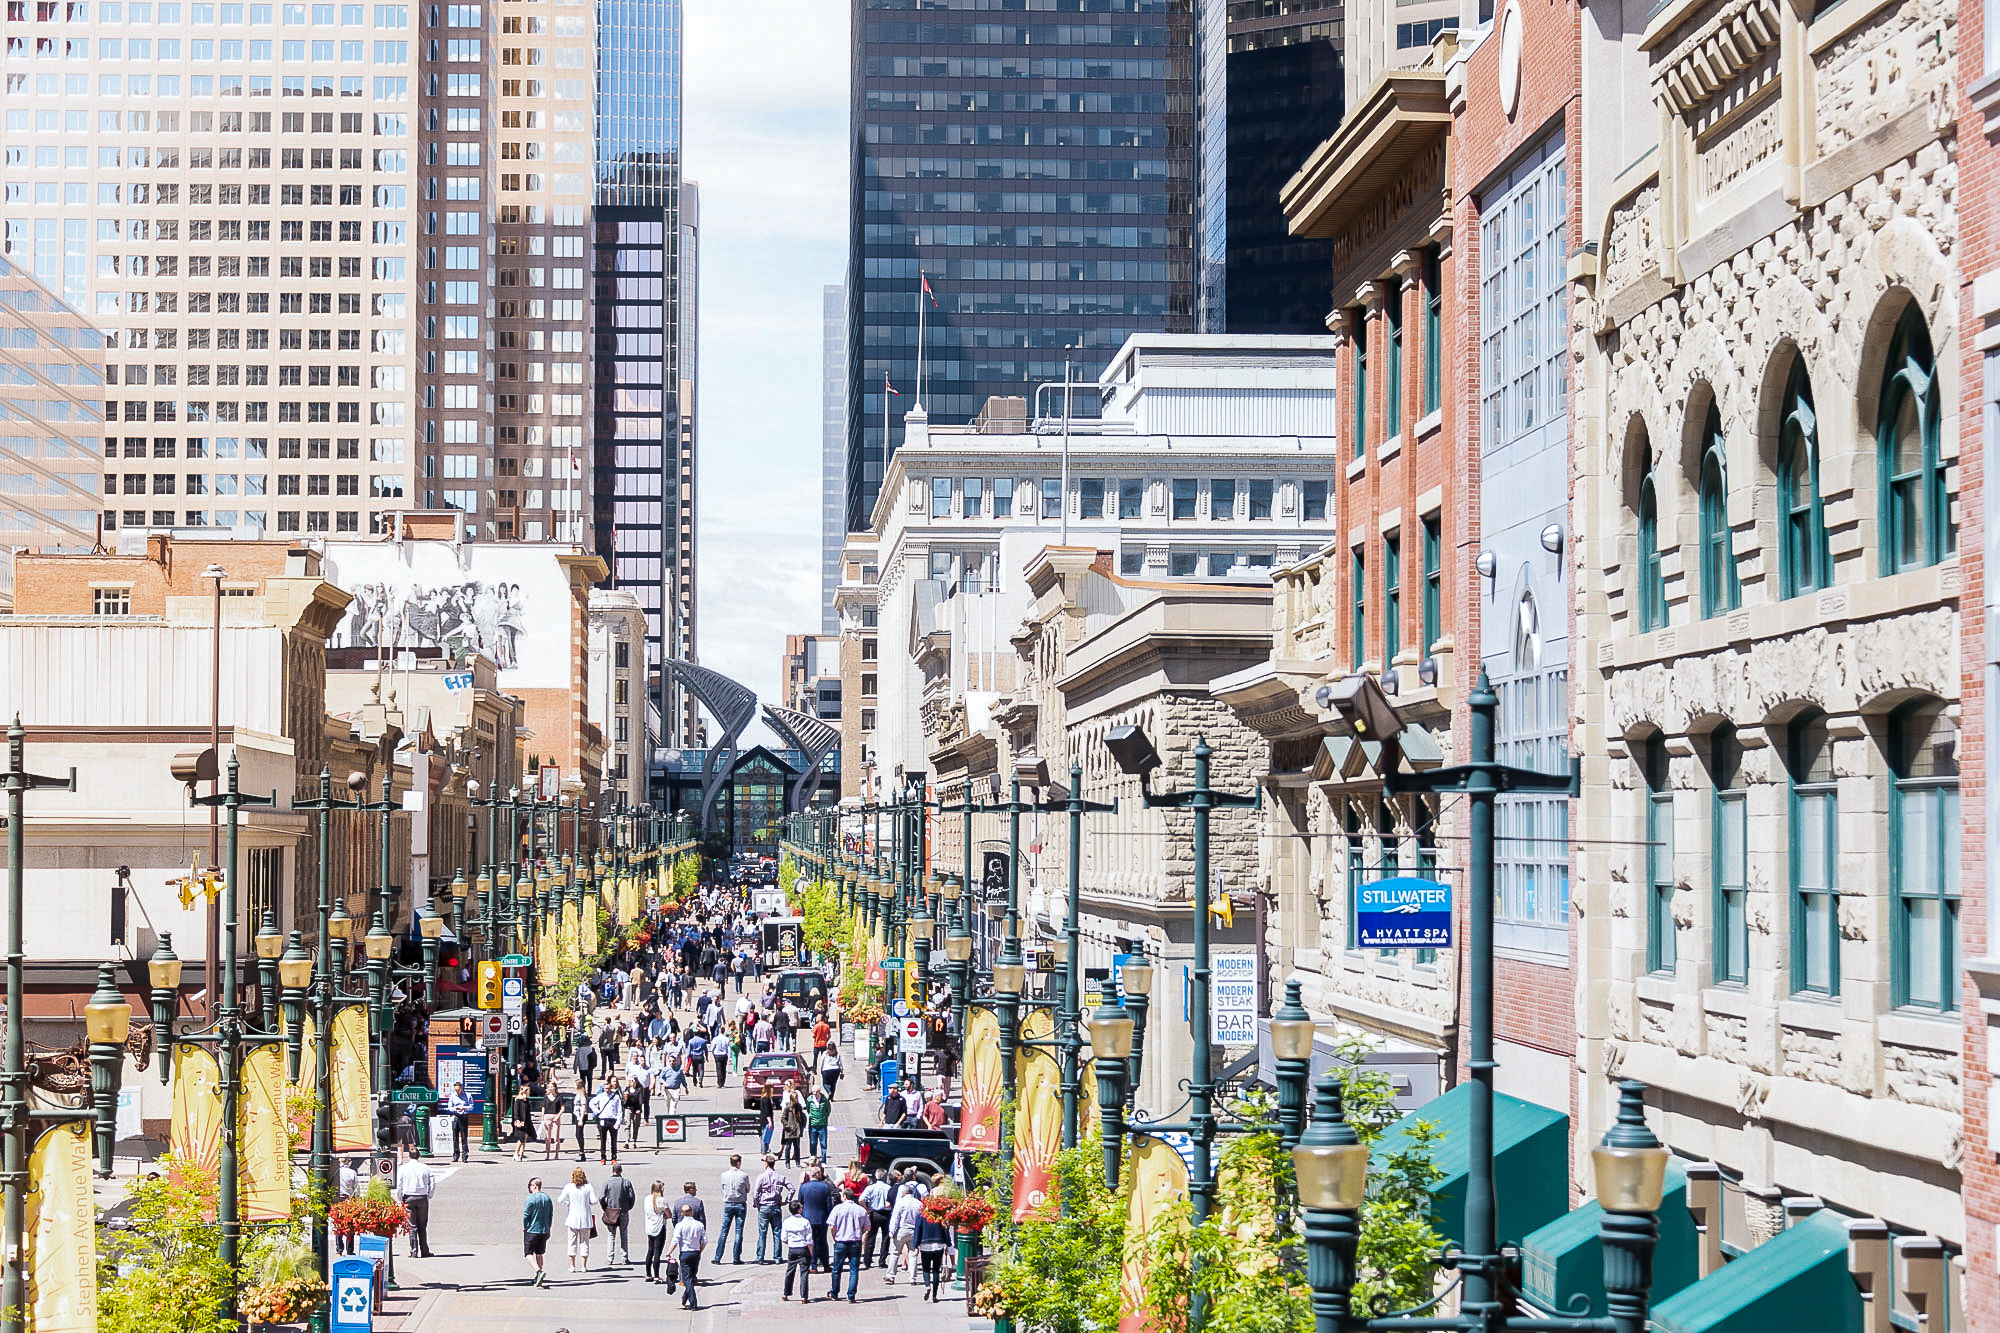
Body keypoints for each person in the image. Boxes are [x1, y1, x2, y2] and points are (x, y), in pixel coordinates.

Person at [826, 1186, 871, 1303]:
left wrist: (834, 1237)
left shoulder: (837, 1209)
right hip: (855, 1241)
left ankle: (834, 1292)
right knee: (854, 1270)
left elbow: (832, 1226)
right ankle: (851, 1295)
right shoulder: (861, 1210)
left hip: (841, 1241)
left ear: (844, 1196)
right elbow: (867, 1227)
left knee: (837, 1269)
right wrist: (860, 1232)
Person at [393, 1146, 436, 1259]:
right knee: (422, 1225)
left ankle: (414, 1251)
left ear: (409, 1156)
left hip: (409, 1197)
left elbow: (399, 1184)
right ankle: (424, 1250)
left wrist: (399, 1198)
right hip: (422, 1197)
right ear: (419, 1156)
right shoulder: (425, 1168)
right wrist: (429, 1195)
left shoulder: (404, 1168)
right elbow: (432, 1183)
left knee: (412, 1226)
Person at [752, 1154, 790, 1263]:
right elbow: (791, 1189)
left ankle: (760, 1257)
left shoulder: (761, 1177)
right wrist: (786, 1201)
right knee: (777, 1232)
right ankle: (777, 1257)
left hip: (764, 1206)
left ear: (766, 1164)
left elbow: (755, 1194)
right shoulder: (780, 1177)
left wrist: (757, 1205)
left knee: (762, 1233)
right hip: (776, 1206)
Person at [797, 1163, 835, 1272]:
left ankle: (813, 1266)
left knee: (811, 1241)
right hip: (822, 1218)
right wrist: (830, 1217)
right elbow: (829, 1204)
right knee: (823, 1241)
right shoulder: (824, 1187)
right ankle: (826, 1264)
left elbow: (800, 1202)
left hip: (808, 1218)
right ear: (817, 1174)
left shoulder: (804, 1187)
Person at [559, 1167, 596, 1274]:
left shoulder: (569, 1187)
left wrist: (568, 1203)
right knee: (584, 1242)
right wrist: (587, 1202)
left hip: (572, 1218)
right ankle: (583, 1266)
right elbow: (594, 1201)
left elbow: (560, 1200)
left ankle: (572, 1266)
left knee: (572, 1242)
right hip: (585, 1219)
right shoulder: (588, 1187)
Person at [713, 1153, 749, 1265]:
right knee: (738, 1231)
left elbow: (723, 1187)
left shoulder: (724, 1175)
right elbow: (747, 1189)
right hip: (740, 1203)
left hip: (728, 1203)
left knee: (724, 1231)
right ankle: (736, 1257)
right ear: (738, 1163)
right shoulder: (744, 1175)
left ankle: (718, 1257)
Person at [887, 1175, 923, 1284]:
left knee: (895, 1253)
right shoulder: (919, 1204)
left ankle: (891, 1275)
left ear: (904, 1192)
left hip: (901, 1230)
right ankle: (912, 1278)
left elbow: (895, 1217)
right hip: (914, 1231)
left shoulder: (900, 1202)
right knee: (913, 1254)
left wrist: (891, 1231)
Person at [599, 1162, 637, 1265]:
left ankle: (610, 1258)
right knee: (623, 1233)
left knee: (611, 1234)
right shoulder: (626, 1182)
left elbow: (601, 1197)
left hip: (611, 1211)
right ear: (621, 1171)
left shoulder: (607, 1182)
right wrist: (628, 1207)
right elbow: (632, 1197)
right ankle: (624, 1258)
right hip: (623, 1211)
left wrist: (605, 1208)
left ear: (612, 1171)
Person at [672, 1203, 708, 1308]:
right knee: (691, 1277)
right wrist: (700, 1251)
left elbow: (675, 1241)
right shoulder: (699, 1225)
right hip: (695, 1253)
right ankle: (685, 1297)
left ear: (682, 1214)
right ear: (692, 1212)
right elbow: (705, 1241)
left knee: (687, 1279)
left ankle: (693, 1302)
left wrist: (669, 1252)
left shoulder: (679, 1225)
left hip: (685, 1253)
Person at [914, 1204, 952, 1301]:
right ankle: (934, 1296)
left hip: (925, 1244)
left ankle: (927, 1286)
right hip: (938, 1244)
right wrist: (948, 1244)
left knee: (926, 1269)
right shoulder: (940, 1215)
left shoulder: (921, 1215)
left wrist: (916, 1245)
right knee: (936, 1270)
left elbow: (918, 1230)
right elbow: (945, 1230)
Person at [522, 1177, 555, 1287]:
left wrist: (525, 1226)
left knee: (528, 1253)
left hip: (532, 1230)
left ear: (535, 1186)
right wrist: (549, 1229)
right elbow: (550, 1214)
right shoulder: (547, 1198)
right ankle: (538, 1277)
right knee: (539, 1253)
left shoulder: (531, 1198)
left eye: (530, 1185)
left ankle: (538, 1271)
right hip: (543, 1230)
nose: (529, 1188)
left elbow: (526, 1214)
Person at [780, 1199, 814, 1302]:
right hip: (803, 1248)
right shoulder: (805, 1221)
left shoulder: (787, 1221)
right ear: (799, 1210)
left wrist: (790, 1242)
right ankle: (804, 1296)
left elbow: (784, 1238)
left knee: (790, 1271)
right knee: (804, 1272)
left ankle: (786, 1293)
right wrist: (811, 1251)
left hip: (792, 1248)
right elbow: (809, 1239)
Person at [858, 1169, 892, 1270]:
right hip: (886, 1214)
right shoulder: (889, 1188)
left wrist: (866, 1209)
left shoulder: (871, 1188)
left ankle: (867, 1260)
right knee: (885, 1238)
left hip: (874, 1213)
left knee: (871, 1237)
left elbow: (861, 1199)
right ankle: (882, 1261)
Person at [642, 1180, 672, 1284]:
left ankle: (648, 1274)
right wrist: (664, 1215)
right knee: (657, 1252)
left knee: (650, 1250)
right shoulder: (662, 1200)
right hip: (659, 1227)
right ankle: (657, 1275)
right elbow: (669, 1214)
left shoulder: (647, 1199)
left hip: (649, 1227)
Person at [590, 1079, 621, 1163]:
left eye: (608, 1088)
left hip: (613, 1119)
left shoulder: (616, 1097)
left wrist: (618, 1122)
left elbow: (619, 1110)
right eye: (606, 1088)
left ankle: (613, 1157)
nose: (607, 1090)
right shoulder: (601, 1096)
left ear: (611, 1088)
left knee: (613, 1140)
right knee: (603, 1139)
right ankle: (603, 1157)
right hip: (603, 1119)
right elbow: (591, 1103)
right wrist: (596, 1111)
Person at [444, 1081, 474, 1163]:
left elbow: (471, 1106)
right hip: (455, 1116)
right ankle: (456, 1155)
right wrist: (454, 1109)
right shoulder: (453, 1096)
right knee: (455, 1137)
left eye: (459, 1089)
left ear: (461, 1088)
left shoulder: (467, 1096)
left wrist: (464, 1107)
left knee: (464, 1137)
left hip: (463, 1116)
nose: (457, 1091)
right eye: (456, 1090)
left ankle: (465, 1156)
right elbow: (449, 1107)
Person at [780, 1085, 807, 1166]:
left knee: (797, 1146)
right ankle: (787, 1162)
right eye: (795, 1098)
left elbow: (803, 1117)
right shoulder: (787, 1108)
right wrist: (788, 1126)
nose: (796, 1100)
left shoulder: (798, 1107)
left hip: (797, 1130)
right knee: (788, 1146)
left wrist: (802, 1126)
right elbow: (783, 1119)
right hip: (789, 1131)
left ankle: (797, 1162)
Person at [805, 1086, 832, 1162]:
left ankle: (823, 1161)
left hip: (822, 1125)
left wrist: (824, 1117)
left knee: (823, 1144)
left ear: (819, 1092)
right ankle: (813, 1159)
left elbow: (828, 1110)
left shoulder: (825, 1100)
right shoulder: (809, 1100)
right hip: (813, 1125)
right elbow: (808, 1109)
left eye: (816, 1092)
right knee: (813, 1143)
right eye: (813, 1092)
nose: (815, 1093)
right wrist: (812, 1116)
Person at [539, 1085, 564, 1160]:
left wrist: (558, 1116)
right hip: (547, 1116)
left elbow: (562, 1108)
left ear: (555, 1088)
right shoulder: (546, 1096)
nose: (550, 1088)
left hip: (556, 1116)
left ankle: (556, 1154)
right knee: (547, 1137)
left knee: (556, 1137)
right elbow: (543, 1107)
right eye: (549, 1087)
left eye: (552, 1087)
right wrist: (542, 1117)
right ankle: (547, 1154)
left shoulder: (559, 1096)